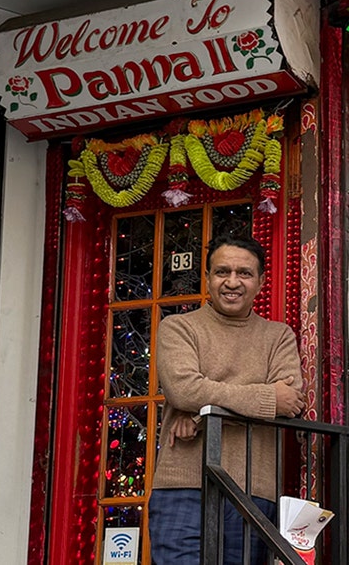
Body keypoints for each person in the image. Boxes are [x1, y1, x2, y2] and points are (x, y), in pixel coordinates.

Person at [148, 234, 304, 565]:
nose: (232, 282)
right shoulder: (179, 328)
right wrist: (265, 397)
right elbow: (184, 389)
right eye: (222, 272)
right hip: (183, 489)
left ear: (261, 282)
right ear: (207, 279)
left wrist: (199, 418)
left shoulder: (278, 336)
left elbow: (289, 403)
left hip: (254, 491)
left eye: (244, 273)